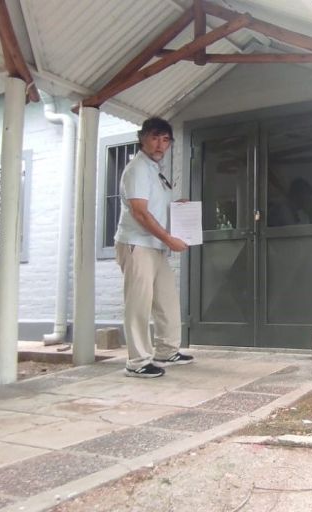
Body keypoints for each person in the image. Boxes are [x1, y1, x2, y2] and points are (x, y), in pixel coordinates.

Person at [114, 117, 194, 378]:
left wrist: (179, 205)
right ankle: (137, 361)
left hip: (155, 245)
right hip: (137, 244)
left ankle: (166, 350)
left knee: (167, 299)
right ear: (142, 138)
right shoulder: (137, 168)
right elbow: (140, 213)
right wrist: (170, 239)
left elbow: (157, 207)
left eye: (165, 139)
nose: (160, 144)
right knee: (139, 303)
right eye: (155, 138)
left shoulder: (154, 170)